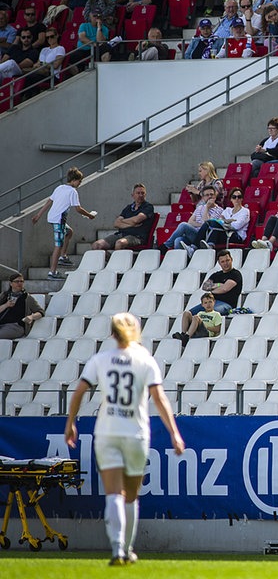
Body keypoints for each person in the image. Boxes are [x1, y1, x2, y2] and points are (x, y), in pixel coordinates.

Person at [64, 313, 184, 566]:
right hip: (135, 433)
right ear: (136, 332)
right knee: (131, 495)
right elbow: (160, 399)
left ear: (111, 334)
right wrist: (174, 432)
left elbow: (78, 392)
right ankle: (127, 549)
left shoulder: (101, 359)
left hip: (107, 432)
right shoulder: (145, 360)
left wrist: (70, 422)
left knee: (113, 494)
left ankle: (117, 549)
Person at [31, 166, 96, 279]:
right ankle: (52, 272)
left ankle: (63, 256)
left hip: (52, 217)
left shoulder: (60, 188)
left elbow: (49, 201)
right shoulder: (72, 191)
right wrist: (89, 215)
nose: (80, 183)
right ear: (74, 180)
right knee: (58, 245)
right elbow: (78, 208)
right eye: (79, 181)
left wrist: (39, 215)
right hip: (59, 220)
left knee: (69, 232)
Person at [91, 183, 154, 251]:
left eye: (143, 193)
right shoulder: (128, 208)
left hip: (137, 237)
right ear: (132, 195)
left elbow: (136, 220)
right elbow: (116, 223)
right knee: (96, 245)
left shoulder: (148, 207)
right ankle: (110, 260)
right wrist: (132, 224)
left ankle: (118, 261)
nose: (141, 195)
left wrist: (124, 221)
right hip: (122, 234)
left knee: (119, 243)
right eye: (138, 193)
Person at [0, 273, 44, 339]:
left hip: (15, 326)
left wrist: (31, 317)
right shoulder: (3, 295)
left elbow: (41, 312)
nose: (19, 283)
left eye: (21, 281)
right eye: (17, 281)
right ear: (11, 283)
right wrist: (6, 305)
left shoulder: (27, 297)